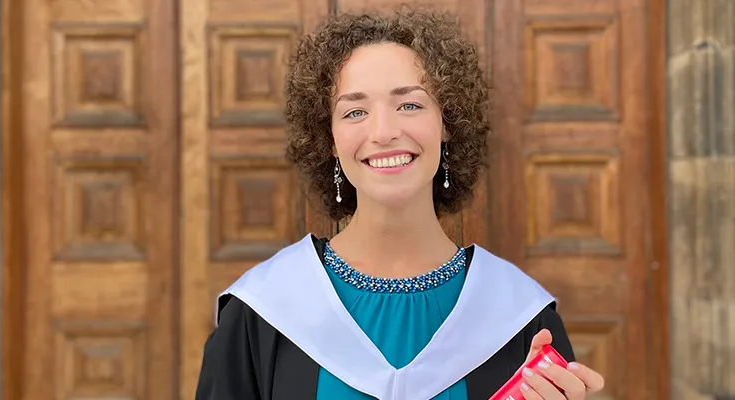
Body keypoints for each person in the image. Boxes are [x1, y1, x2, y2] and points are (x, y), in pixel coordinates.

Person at [195, 8, 605, 400]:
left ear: (447, 123)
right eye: (354, 111)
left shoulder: (519, 318)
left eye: (409, 104)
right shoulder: (263, 313)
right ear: (330, 140)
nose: (384, 131)